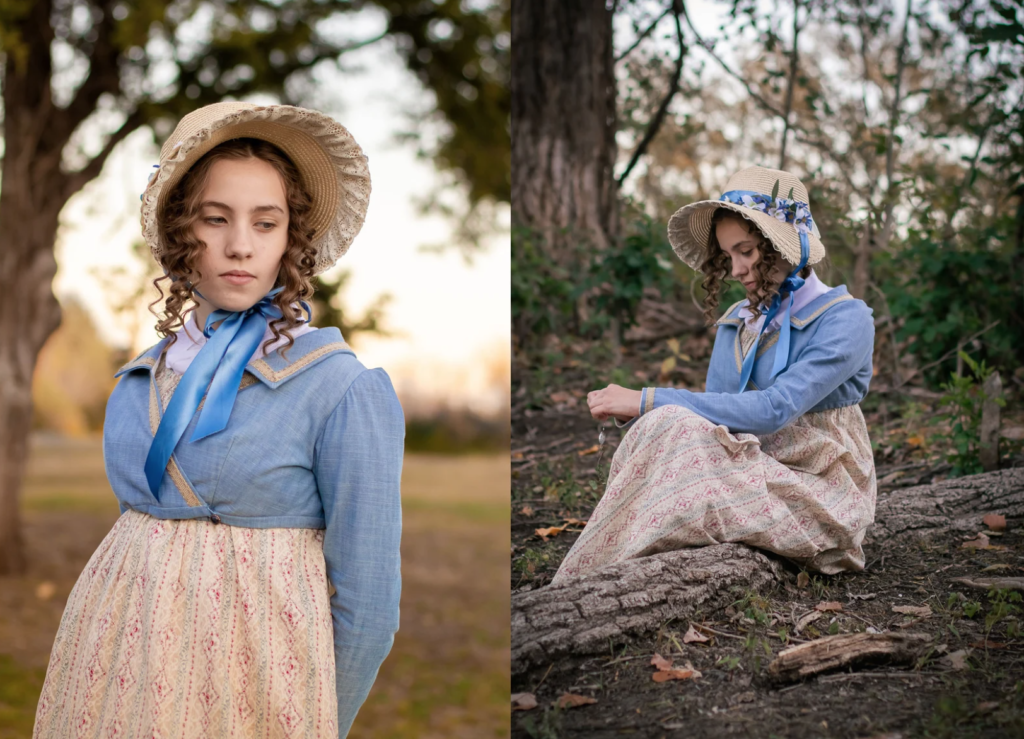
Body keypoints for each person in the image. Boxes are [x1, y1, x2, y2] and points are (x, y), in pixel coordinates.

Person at [33, 102, 404, 738]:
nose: (240, 245)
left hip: (255, 691)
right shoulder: (139, 381)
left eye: (266, 223)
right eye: (216, 218)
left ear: (291, 237)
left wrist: (314, 721)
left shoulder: (340, 388)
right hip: (113, 669)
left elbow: (369, 609)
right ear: (183, 231)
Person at [553, 166, 876, 585]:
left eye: (746, 251)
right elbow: (713, 423)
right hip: (751, 469)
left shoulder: (845, 319)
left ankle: (592, 583)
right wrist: (654, 412)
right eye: (728, 256)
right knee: (667, 424)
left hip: (820, 489)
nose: (737, 269)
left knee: (663, 419)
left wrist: (645, 399)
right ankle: (582, 582)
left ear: (785, 245)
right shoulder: (738, 323)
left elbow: (774, 409)